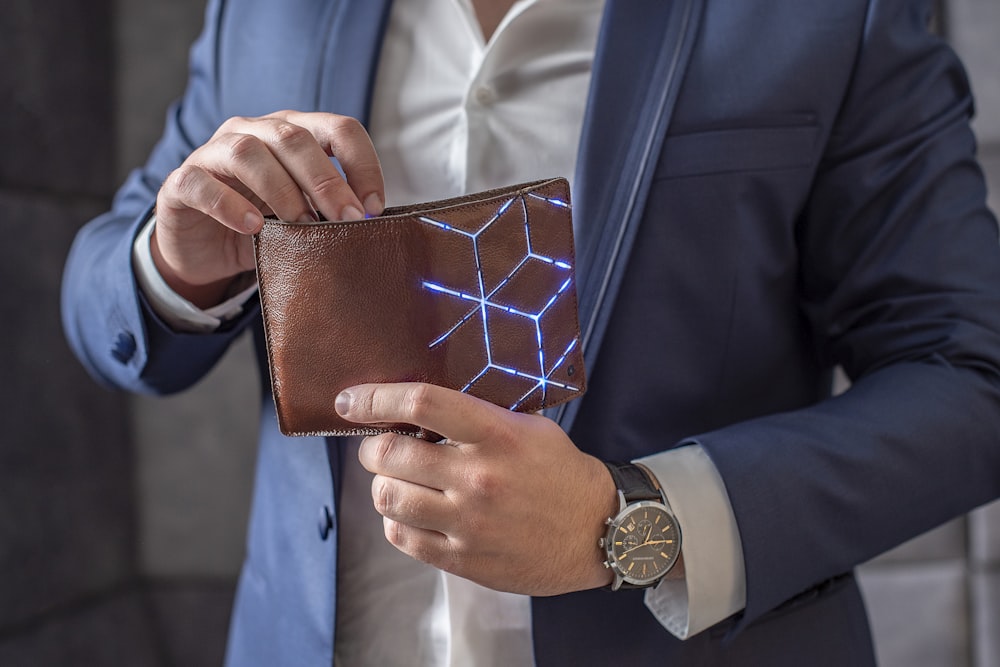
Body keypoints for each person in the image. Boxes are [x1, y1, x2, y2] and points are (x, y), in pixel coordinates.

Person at [61, 0, 1000, 664]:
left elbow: (971, 376)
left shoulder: (837, 15)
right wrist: (171, 264)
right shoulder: (268, 10)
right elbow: (106, 293)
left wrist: (631, 520)